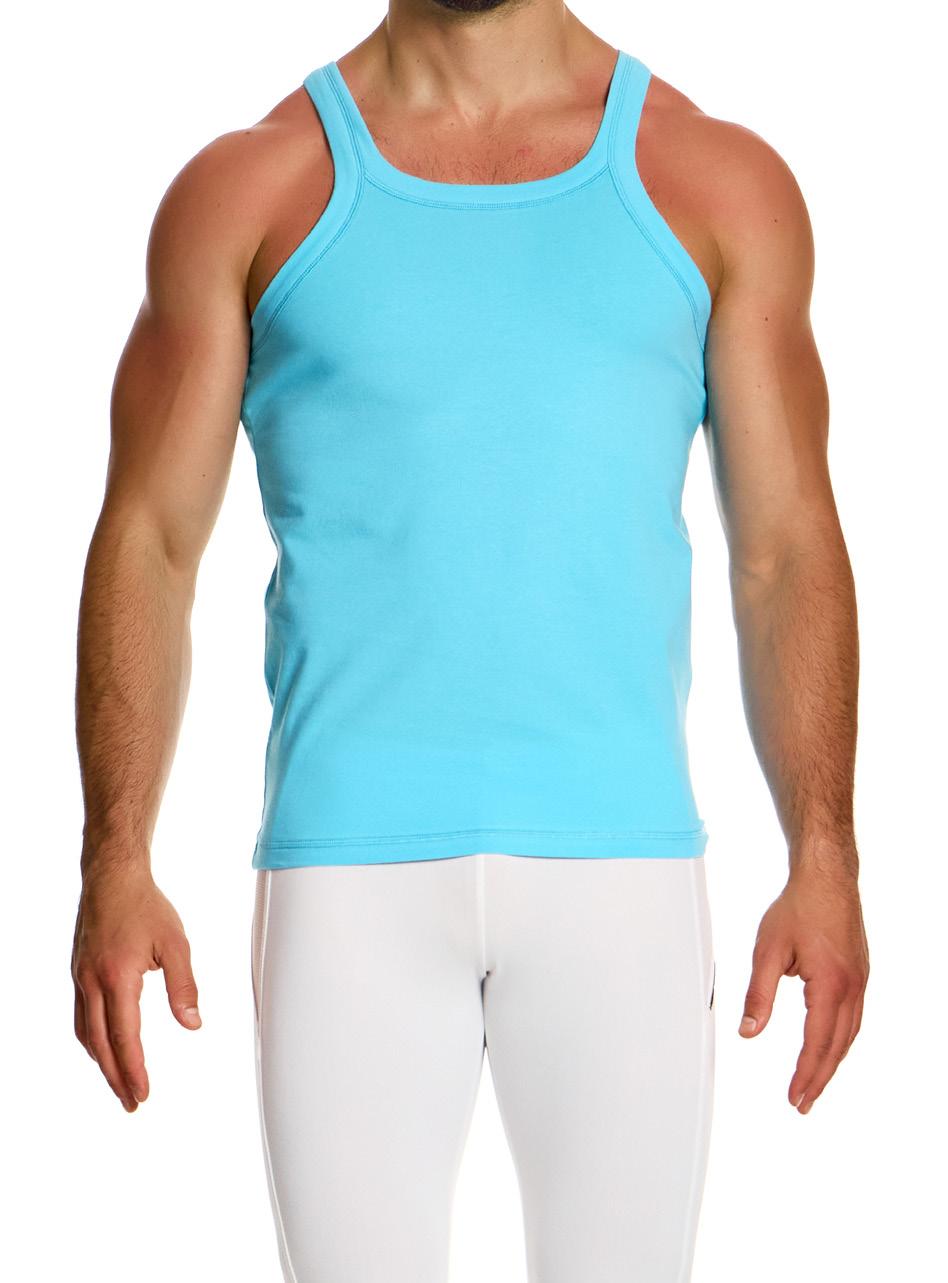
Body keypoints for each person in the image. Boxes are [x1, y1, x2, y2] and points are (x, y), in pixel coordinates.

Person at [71, 2, 870, 1279]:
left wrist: (823, 853)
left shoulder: (711, 183)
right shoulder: (252, 192)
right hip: (347, 882)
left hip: (621, 870)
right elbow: (151, 540)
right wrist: (116, 857)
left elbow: (785, 548)